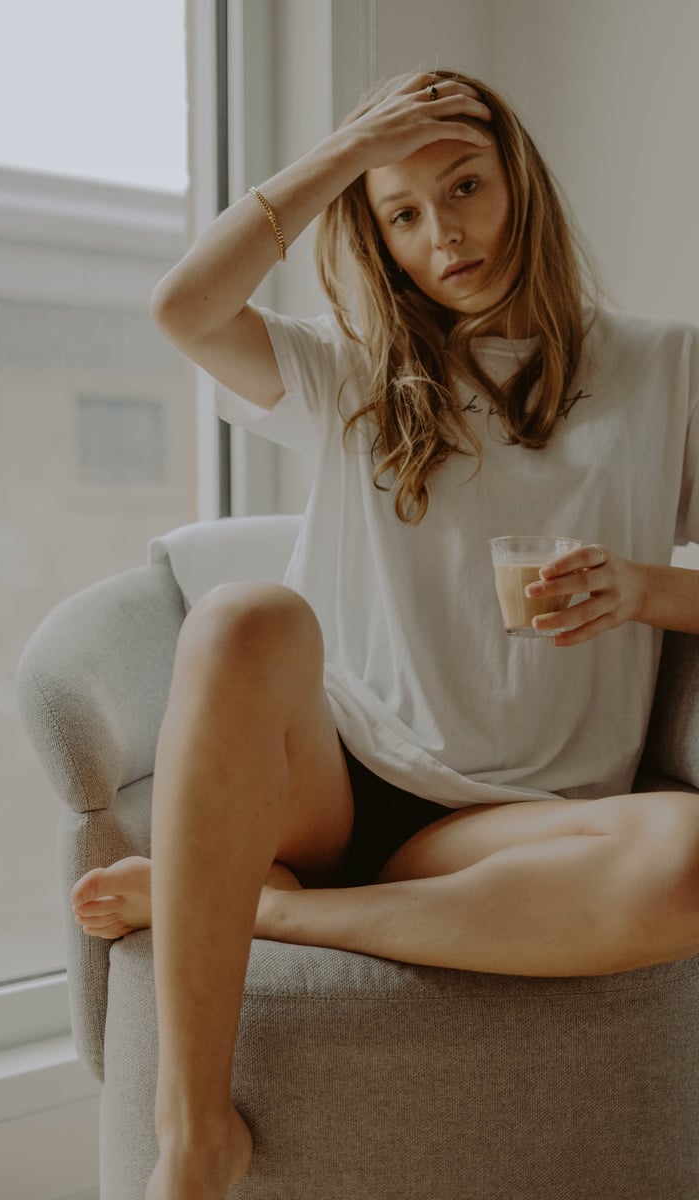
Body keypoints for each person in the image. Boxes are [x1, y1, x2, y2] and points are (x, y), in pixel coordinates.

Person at [69, 69, 699, 1200]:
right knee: (242, 617)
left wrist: (648, 589)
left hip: (513, 825)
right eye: (399, 214)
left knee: (690, 863)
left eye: (463, 188)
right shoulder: (354, 370)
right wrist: (339, 155)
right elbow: (184, 311)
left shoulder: (665, 368)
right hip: (336, 776)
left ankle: (265, 907)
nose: (441, 234)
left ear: (523, 187)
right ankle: (191, 1131)